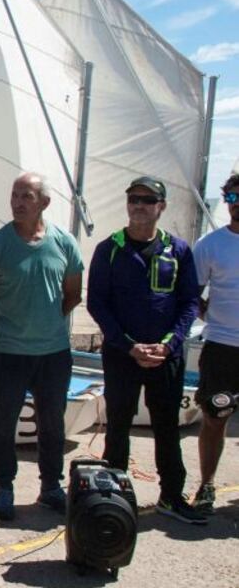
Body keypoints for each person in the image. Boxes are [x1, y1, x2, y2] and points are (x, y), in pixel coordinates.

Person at [87, 176, 205, 524]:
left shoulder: (178, 249)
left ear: (161, 207)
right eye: (133, 199)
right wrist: (128, 345)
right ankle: (114, 498)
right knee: (118, 425)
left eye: (147, 200)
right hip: (123, 355)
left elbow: (189, 302)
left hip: (165, 357)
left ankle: (171, 496)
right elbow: (97, 302)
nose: (139, 205)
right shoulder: (109, 249)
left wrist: (169, 345)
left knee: (167, 427)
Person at [0, 172, 83, 520]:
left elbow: (73, 292)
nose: (17, 202)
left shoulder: (64, 242)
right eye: (14, 194)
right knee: (3, 422)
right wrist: (0, 327)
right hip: (8, 352)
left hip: (53, 353)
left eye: (26, 195)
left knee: (52, 422)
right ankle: (4, 486)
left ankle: (51, 486)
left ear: (44, 202)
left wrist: (47, 323)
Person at [190, 173, 239, 515]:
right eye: (233, 198)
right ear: (226, 201)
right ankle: (206, 485)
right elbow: (192, 294)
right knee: (215, 416)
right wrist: (209, 317)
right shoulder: (210, 245)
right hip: (221, 345)